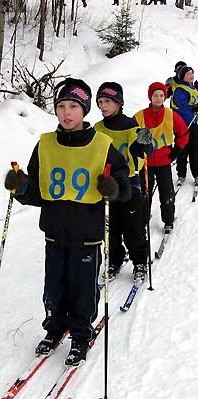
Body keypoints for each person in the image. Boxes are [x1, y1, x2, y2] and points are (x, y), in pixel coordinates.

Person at [4, 78, 131, 366]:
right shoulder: (46, 144)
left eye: (73, 105)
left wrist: (114, 188)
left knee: (82, 289)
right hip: (55, 231)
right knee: (54, 287)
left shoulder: (103, 145)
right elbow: (39, 191)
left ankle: (80, 335)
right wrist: (21, 186)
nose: (66, 112)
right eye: (61, 106)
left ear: (85, 109)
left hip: (87, 233)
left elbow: (125, 187)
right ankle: (55, 327)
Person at [94, 82, 151, 282]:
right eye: (100, 101)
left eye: (108, 101)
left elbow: (145, 150)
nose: (103, 105)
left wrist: (143, 145)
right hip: (107, 184)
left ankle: (140, 261)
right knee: (111, 228)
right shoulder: (97, 128)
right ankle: (114, 261)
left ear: (119, 103)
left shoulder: (131, 125)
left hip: (129, 182)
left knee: (133, 228)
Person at [133, 82, 188, 233]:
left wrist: (177, 150)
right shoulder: (139, 116)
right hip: (146, 163)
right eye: (155, 95)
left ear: (165, 96)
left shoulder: (171, 115)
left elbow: (183, 133)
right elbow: (131, 137)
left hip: (164, 160)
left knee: (166, 192)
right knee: (145, 193)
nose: (158, 98)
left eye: (161, 95)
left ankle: (168, 220)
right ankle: (143, 219)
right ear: (150, 97)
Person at [172, 65, 198, 186]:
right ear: (182, 76)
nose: (191, 76)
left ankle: (197, 174)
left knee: (194, 149)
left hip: (193, 123)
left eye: (192, 73)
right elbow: (182, 106)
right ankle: (181, 174)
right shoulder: (180, 90)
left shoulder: (191, 87)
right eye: (188, 74)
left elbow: (195, 101)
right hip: (183, 125)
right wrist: (194, 107)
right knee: (182, 150)